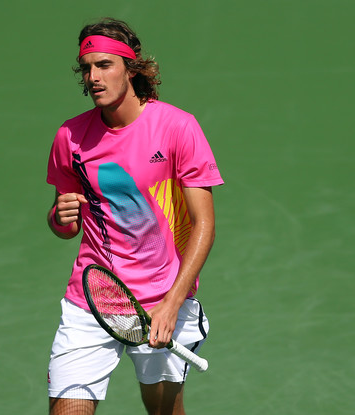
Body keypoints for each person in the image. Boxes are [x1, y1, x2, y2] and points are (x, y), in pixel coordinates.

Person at [46, 17, 224, 415]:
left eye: (104, 65)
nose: (93, 77)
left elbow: (204, 224)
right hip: (92, 299)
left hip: (164, 300)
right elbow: (66, 227)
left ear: (132, 68)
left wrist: (173, 303)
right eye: (87, 67)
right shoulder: (70, 137)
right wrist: (59, 217)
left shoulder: (178, 128)